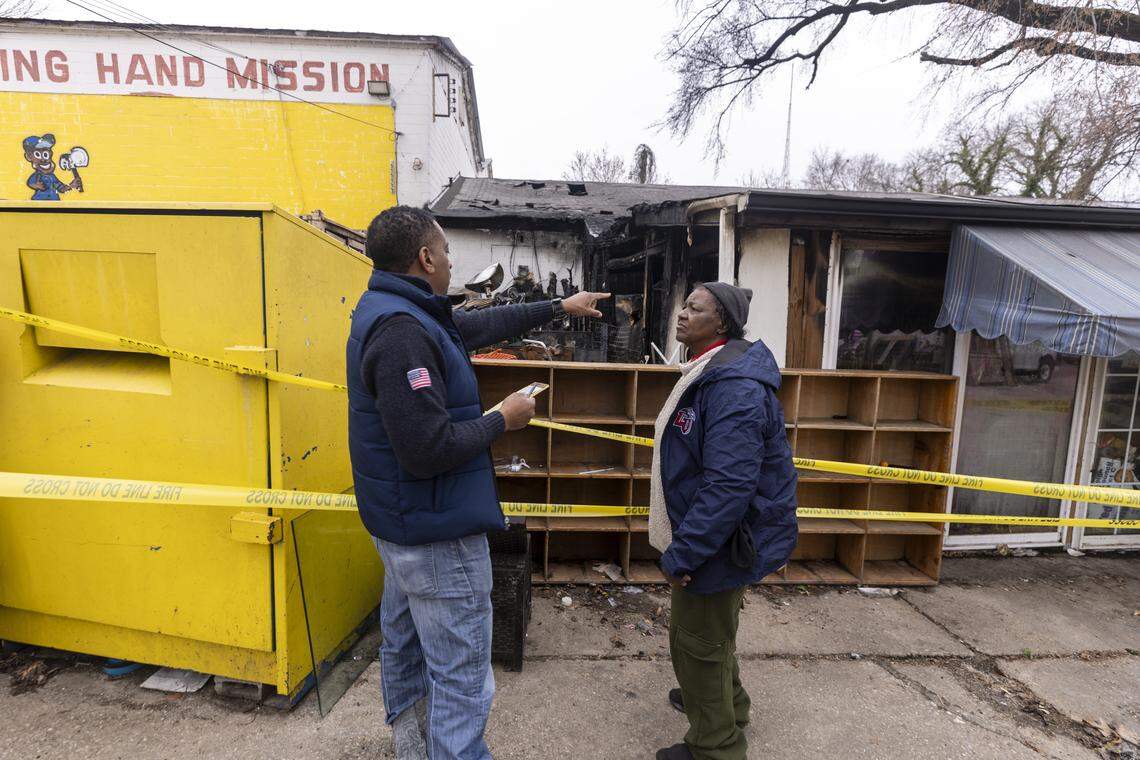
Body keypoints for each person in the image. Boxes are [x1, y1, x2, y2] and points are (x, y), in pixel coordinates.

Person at [346, 205, 608, 760]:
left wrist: (557, 305)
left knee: (409, 655)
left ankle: (417, 751)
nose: (450, 262)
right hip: (436, 537)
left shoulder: (401, 311)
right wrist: (502, 420)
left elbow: (475, 326)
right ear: (425, 257)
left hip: (406, 525)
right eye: (446, 252)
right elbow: (425, 450)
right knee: (462, 683)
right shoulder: (401, 333)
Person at [649, 283, 798, 760]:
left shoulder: (732, 385)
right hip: (715, 533)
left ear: (723, 324)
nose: (682, 313)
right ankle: (723, 703)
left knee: (697, 643)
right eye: (684, 305)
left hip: (719, 539)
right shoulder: (710, 369)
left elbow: (729, 486)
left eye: (696, 308)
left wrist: (686, 551)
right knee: (713, 634)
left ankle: (716, 746)